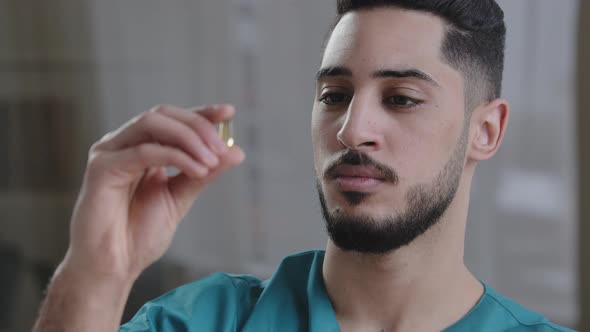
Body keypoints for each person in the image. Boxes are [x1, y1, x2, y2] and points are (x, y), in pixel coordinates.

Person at [32, 0, 575, 331]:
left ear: (486, 131)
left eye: (401, 99)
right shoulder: (200, 323)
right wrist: (98, 272)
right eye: (335, 94)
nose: (351, 129)